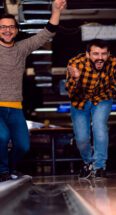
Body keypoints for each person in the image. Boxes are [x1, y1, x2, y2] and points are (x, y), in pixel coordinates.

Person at [0, 0, 66, 182]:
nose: (7, 30)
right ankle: (2, 170)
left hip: (15, 107)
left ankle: (10, 168)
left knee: (23, 145)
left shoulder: (21, 49)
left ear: (16, 30)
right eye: (2, 27)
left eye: (11, 27)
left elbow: (46, 33)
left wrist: (56, 11)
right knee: (2, 136)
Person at [65, 39, 116, 179]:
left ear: (108, 54)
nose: (100, 58)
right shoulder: (75, 63)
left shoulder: (114, 63)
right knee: (82, 138)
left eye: (103, 54)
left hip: (102, 99)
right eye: (95, 54)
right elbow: (71, 93)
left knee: (99, 127)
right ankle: (88, 162)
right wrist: (76, 79)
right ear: (87, 54)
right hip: (80, 100)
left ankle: (99, 167)